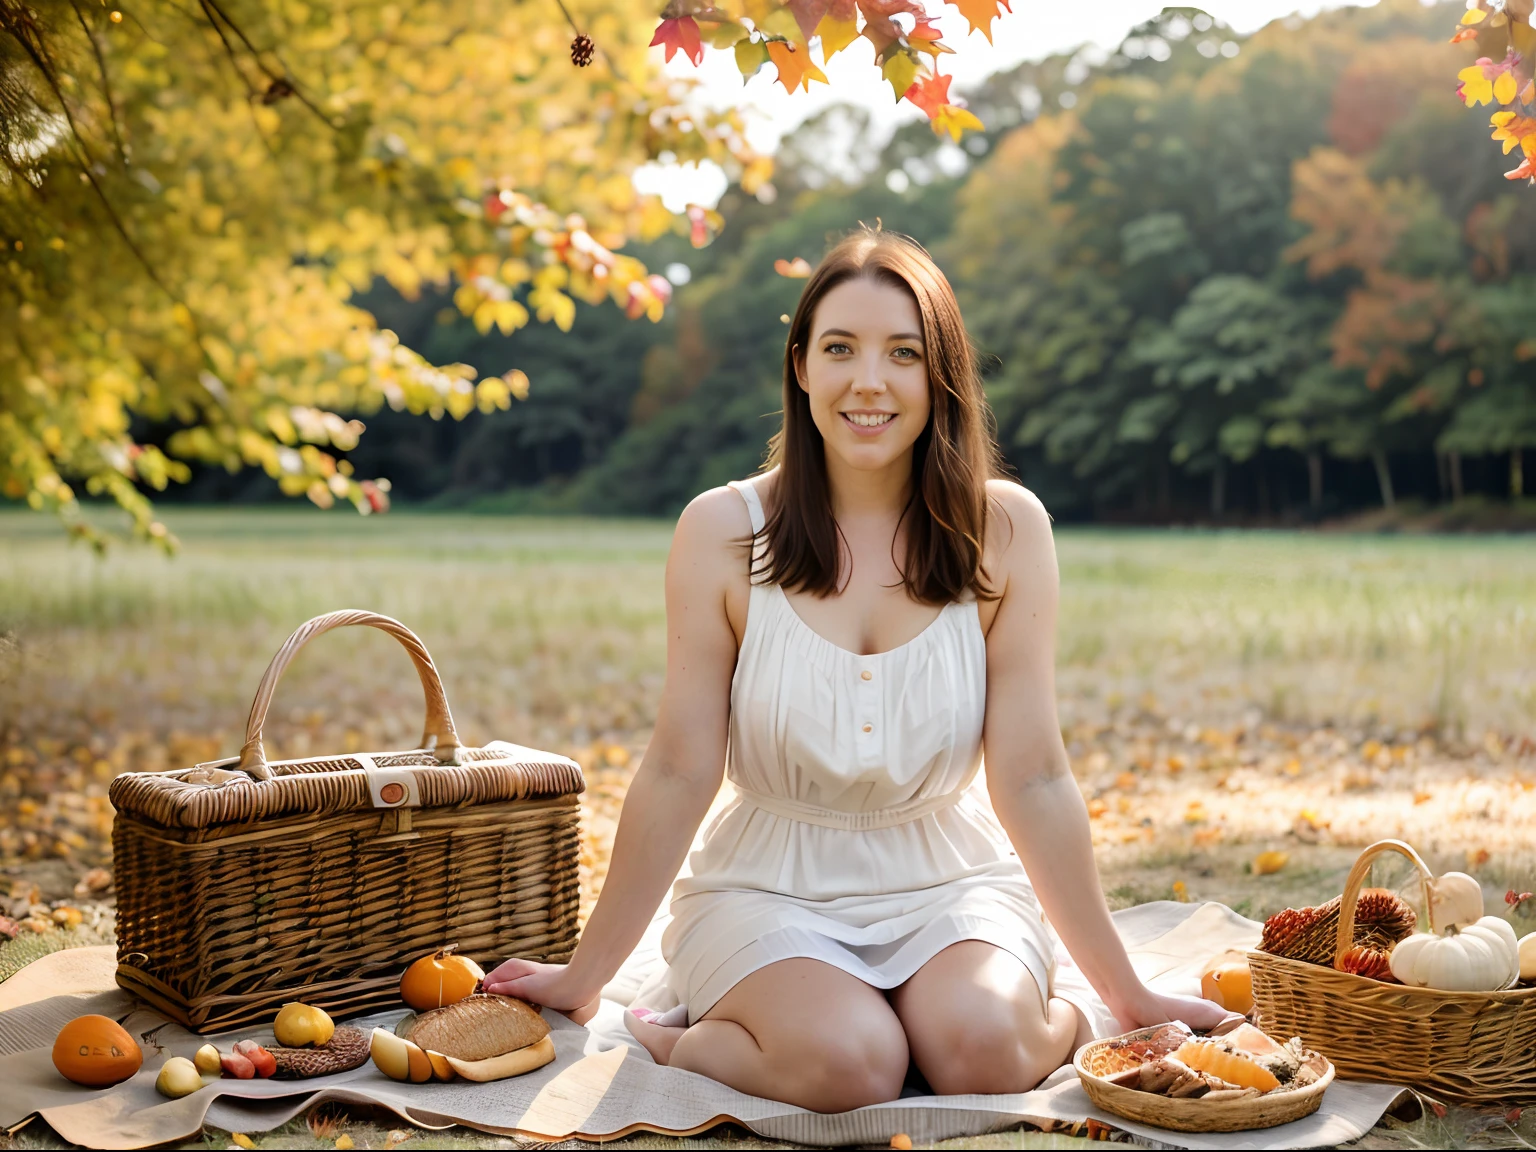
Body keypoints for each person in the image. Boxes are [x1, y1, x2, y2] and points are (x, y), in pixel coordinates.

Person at [484, 227, 1227, 1112]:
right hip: (769, 885)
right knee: (852, 1068)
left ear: (938, 375)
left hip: (947, 879)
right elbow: (681, 767)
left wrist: (1127, 994)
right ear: (801, 366)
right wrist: (586, 974)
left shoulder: (1007, 531)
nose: (868, 381)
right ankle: (682, 1039)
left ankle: (1050, 1013)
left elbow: (1033, 775)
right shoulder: (721, 533)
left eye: (902, 354)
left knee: (985, 1054)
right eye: (840, 348)